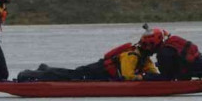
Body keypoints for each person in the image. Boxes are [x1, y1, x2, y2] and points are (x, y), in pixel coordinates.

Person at [17, 32, 161, 82]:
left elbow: (153, 72)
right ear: (150, 45)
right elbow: (128, 76)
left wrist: (154, 76)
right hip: (97, 71)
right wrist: (143, 77)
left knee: (71, 74)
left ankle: (46, 69)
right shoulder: (132, 55)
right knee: (71, 76)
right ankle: (33, 74)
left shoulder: (143, 57)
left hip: (102, 72)